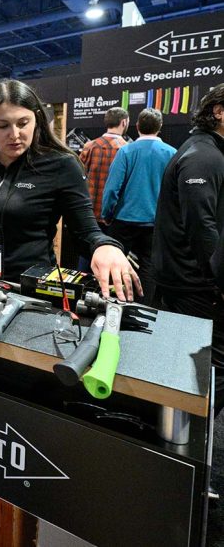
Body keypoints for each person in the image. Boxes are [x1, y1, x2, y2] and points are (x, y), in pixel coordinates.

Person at [0, 80, 140, 301]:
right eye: (3, 126)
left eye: (23, 123)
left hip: (30, 289)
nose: (15, 134)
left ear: (37, 121)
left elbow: (85, 232)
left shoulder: (61, 165)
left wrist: (105, 246)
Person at [152, 85, 224, 415]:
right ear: (219, 111)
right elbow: (201, 226)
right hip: (196, 285)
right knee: (206, 374)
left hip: (194, 281)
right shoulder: (204, 155)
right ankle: (187, 452)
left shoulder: (208, 151)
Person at [101, 108, 176, 305]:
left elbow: (112, 189)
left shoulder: (126, 151)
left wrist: (107, 214)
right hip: (154, 223)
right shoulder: (172, 153)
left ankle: (110, 304)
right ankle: (143, 308)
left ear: (137, 126)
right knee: (149, 269)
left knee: (113, 266)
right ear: (160, 128)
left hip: (123, 221)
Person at [79, 107, 129, 227]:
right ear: (123, 122)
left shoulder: (90, 146)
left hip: (90, 212)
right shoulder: (127, 149)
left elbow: (78, 177)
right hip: (116, 214)